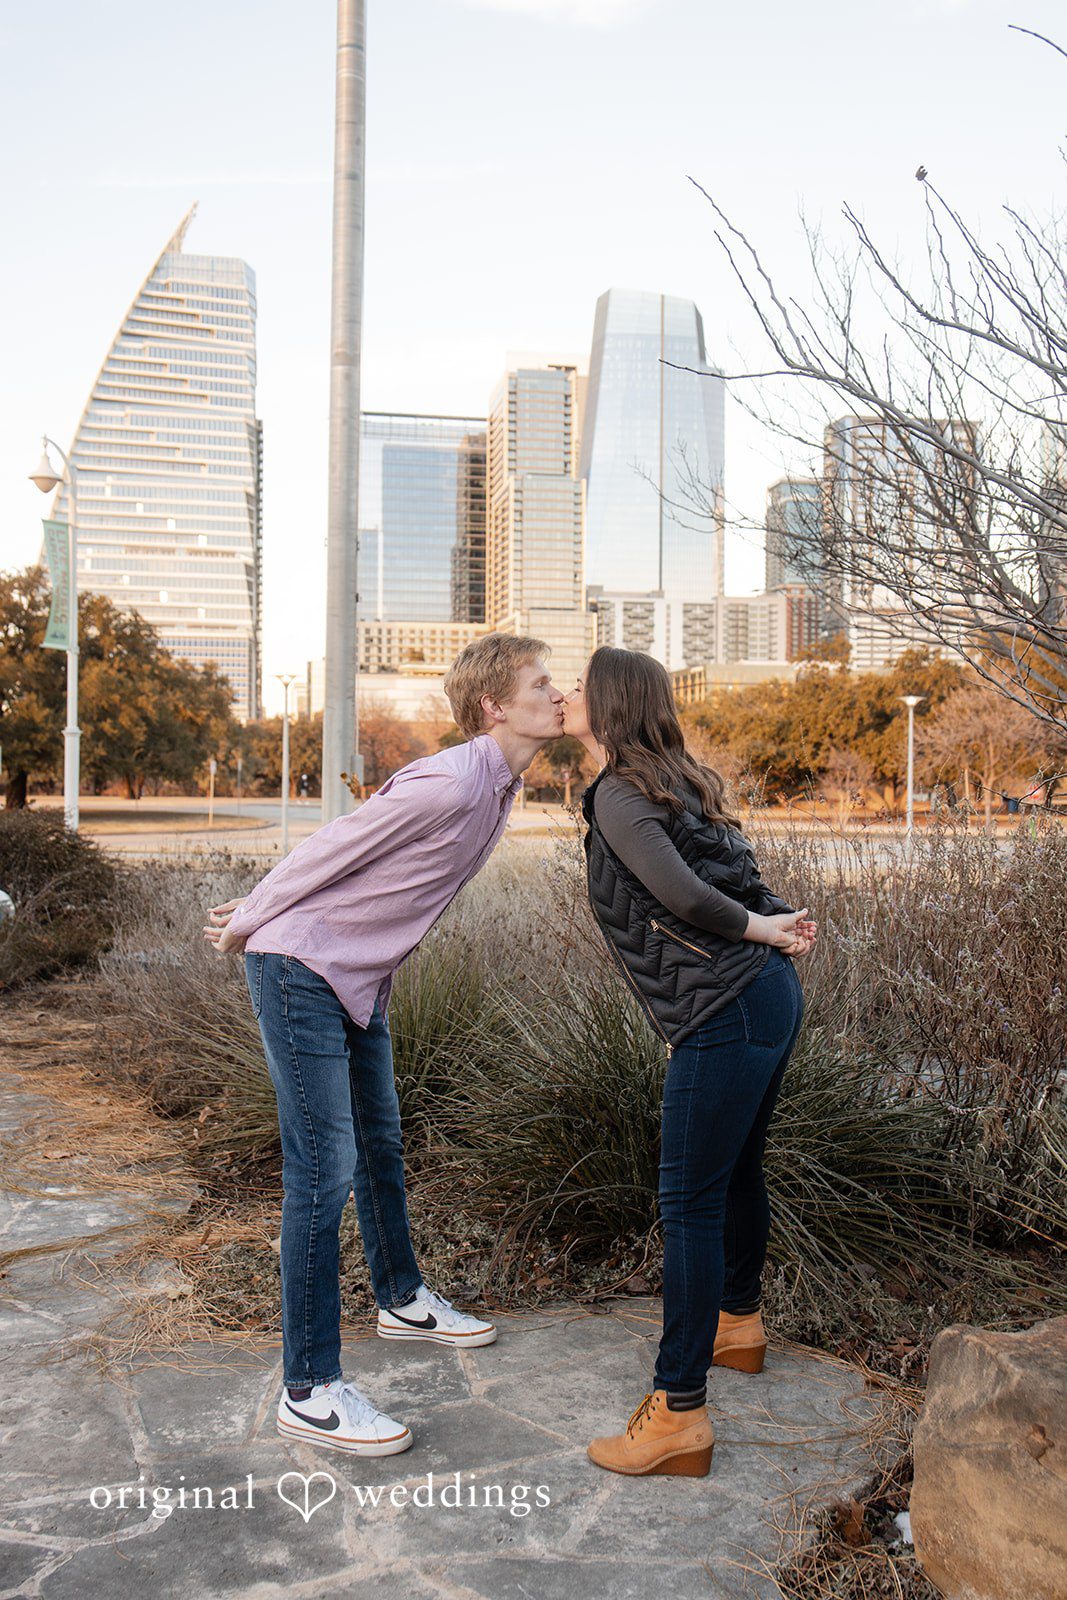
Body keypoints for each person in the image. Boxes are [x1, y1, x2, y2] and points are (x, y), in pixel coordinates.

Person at [203, 634, 565, 1458]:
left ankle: (401, 1297)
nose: (558, 692)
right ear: (493, 706)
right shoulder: (450, 776)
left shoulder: (502, 782)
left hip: (355, 978)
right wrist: (252, 914)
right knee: (323, 1171)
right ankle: (309, 1387)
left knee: (381, 1144)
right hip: (300, 968)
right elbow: (339, 841)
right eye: (541, 683)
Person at [561, 647, 817, 1479]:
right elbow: (731, 874)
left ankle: (677, 1411)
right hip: (764, 996)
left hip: (725, 1008)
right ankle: (736, 1326)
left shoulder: (619, 793)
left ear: (606, 707)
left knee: (689, 1199)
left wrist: (762, 926)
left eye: (576, 686)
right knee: (736, 1172)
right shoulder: (677, 779)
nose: (565, 694)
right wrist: (776, 922)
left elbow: (681, 893)